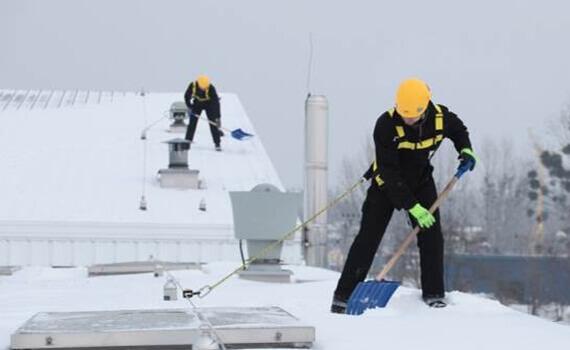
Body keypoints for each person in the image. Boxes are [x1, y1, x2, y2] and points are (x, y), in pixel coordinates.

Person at [331, 78, 477, 313]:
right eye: (404, 114)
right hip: (385, 185)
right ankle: (344, 295)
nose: (408, 119)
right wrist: (413, 207)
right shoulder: (386, 125)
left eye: (413, 115)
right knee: (367, 238)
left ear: (425, 107)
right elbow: (388, 172)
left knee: (432, 236)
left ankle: (434, 293)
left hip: (421, 182)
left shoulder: (441, 118)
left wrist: (466, 150)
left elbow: (459, 131)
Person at [184, 75, 223, 151]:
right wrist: (189, 106)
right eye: (202, 87)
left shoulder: (211, 88)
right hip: (197, 105)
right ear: (198, 84)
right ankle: (187, 141)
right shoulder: (193, 85)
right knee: (192, 123)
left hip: (209, 105)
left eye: (205, 87)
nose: (204, 89)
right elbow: (186, 96)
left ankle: (217, 143)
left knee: (213, 124)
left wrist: (218, 117)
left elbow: (216, 104)